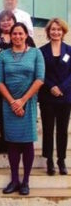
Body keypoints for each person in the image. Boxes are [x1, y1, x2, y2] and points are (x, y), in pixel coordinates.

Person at [0, 22, 45, 195]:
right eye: (14, 33)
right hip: (9, 103)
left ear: (26, 35)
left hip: (28, 102)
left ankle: (26, 181)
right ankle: (14, 179)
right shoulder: (3, 55)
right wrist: (13, 102)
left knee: (27, 143)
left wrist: (22, 101)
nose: (17, 36)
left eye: (20, 33)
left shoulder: (36, 53)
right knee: (13, 143)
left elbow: (39, 79)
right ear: (10, 35)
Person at [39, 18, 71, 176]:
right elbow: (40, 73)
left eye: (59, 29)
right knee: (48, 129)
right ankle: (49, 159)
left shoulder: (69, 50)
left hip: (65, 97)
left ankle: (61, 160)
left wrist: (62, 87)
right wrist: (51, 86)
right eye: (53, 29)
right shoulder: (42, 51)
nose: (56, 32)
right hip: (47, 96)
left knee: (62, 130)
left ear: (63, 32)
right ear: (48, 31)